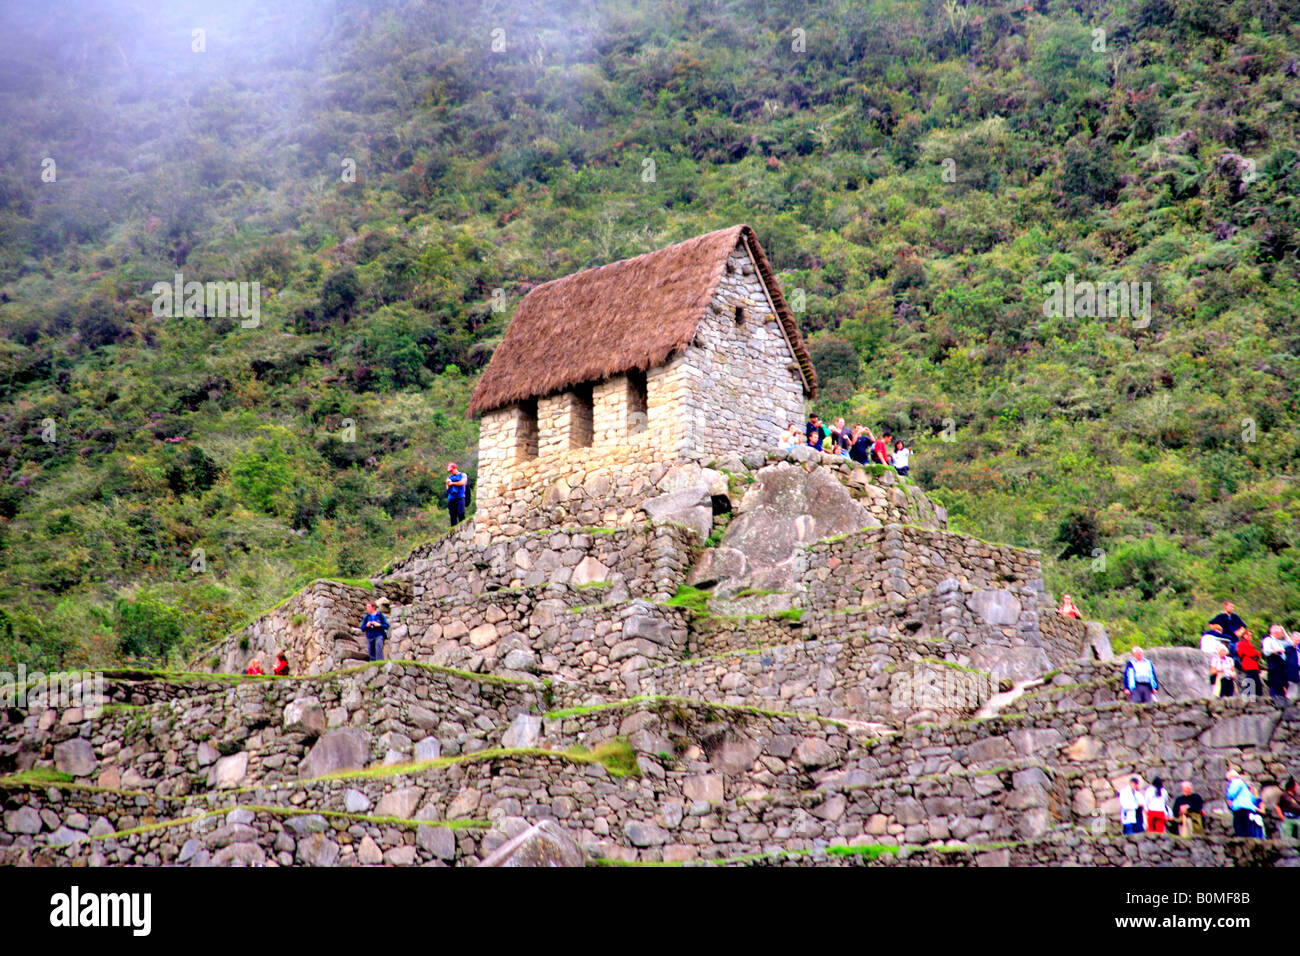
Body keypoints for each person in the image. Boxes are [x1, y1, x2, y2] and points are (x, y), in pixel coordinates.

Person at [1225, 769, 1262, 838]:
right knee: (1247, 828)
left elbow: (1231, 793)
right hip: (1249, 808)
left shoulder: (1235, 781)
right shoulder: (1244, 785)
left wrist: (1228, 797)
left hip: (1240, 808)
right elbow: (1253, 799)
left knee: (1239, 826)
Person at [1263, 624, 1289, 699]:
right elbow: (1266, 651)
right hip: (1274, 665)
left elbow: (1290, 643)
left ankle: (1282, 703)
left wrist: (1284, 632)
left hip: (1282, 665)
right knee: (1275, 685)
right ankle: (1275, 703)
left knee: (1283, 684)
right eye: (1277, 629)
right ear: (1272, 630)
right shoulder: (1268, 640)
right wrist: (1277, 650)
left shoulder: (1279, 642)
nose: (1279, 631)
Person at [1236, 630, 1263, 697]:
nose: (1249, 637)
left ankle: (1257, 696)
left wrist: (1255, 654)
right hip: (1248, 664)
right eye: (1247, 635)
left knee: (1257, 681)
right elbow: (1246, 653)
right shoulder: (1241, 643)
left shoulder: (1249, 644)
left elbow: (1257, 654)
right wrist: (1254, 654)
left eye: (1250, 635)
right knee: (1251, 680)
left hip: (1253, 665)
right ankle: (1250, 696)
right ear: (1243, 635)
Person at [1286, 630, 1300, 701]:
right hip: (1291, 673)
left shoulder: (1297, 649)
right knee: (1291, 693)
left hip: (1298, 672)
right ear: (1292, 638)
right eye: (1296, 640)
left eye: (1299, 640)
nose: (1297, 642)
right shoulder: (1288, 648)